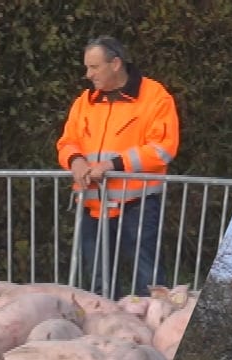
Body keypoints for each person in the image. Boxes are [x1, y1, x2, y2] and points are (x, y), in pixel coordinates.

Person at [58, 36, 180, 299]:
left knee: (147, 281)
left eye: (94, 67)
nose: (87, 74)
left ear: (115, 64)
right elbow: (67, 141)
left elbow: (163, 148)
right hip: (92, 204)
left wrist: (113, 165)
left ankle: (156, 333)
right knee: (100, 286)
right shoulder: (85, 101)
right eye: (87, 67)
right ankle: (107, 335)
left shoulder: (156, 97)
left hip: (138, 203)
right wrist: (75, 160)